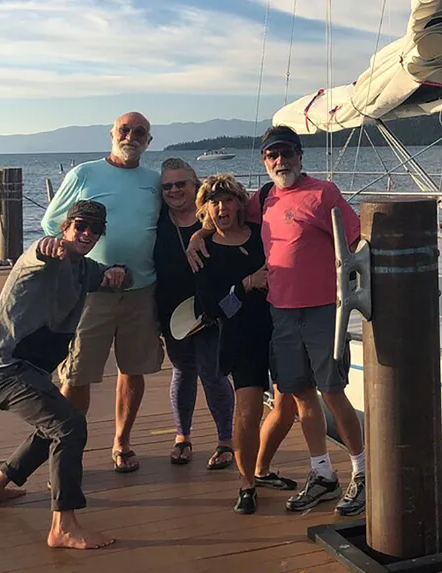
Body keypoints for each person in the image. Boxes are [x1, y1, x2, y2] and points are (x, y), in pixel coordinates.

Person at [187, 125, 366, 516]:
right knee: (301, 394)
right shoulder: (264, 198)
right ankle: (322, 473)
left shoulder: (324, 193)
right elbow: (224, 214)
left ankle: (362, 472)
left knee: (332, 392)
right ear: (265, 161)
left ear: (300, 155)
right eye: (272, 155)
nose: (280, 160)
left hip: (320, 309)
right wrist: (199, 233)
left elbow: (357, 240)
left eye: (287, 153)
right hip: (281, 314)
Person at [0, 200, 126, 549]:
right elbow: (36, 254)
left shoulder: (84, 269)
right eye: (80, 226)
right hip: (2, 370)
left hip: (30, 373)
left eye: (95, 229)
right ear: (65, 227)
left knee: (55, 425)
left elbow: (109, 275)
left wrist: (118, 272)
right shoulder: (42, 256)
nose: (86, 234)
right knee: (70, 425)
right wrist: (46, 246)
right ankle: (64, 526)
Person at [40, 112, 164, 473]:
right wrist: (88, 264)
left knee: (133, 369)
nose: (132, 136)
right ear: (111, 134)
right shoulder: (84, 174)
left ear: (149, 141)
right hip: (90, 291)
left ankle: (122, 442)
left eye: (140, 132)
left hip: (141, 291)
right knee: (77, 373)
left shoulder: (154, 182)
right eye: (125, 129)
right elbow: (52, 223)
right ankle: (69, 453)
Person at [191, 174, 298, 514]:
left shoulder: (259, 236)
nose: (222, 207)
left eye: (227, 200)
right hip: (241, 338)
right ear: (206, 208)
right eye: (214, 202)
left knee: (287, 408)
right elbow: (213, 309)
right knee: (248, 413)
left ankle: (261, 468)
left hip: (279, 329)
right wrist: (247, 284)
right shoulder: (204, 251)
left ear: (239, 203)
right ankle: (246, 484)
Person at [155, 158, 235, 469]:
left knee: (213, 373)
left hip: (211, 309)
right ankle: (182, 437)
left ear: (195, 184)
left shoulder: (213, 218)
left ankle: (225, 441)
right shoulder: (159, 218)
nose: (174, 190)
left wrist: (202, 233)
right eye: (167, 186)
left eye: (181, 184)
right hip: (172, 312)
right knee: (182, 371)